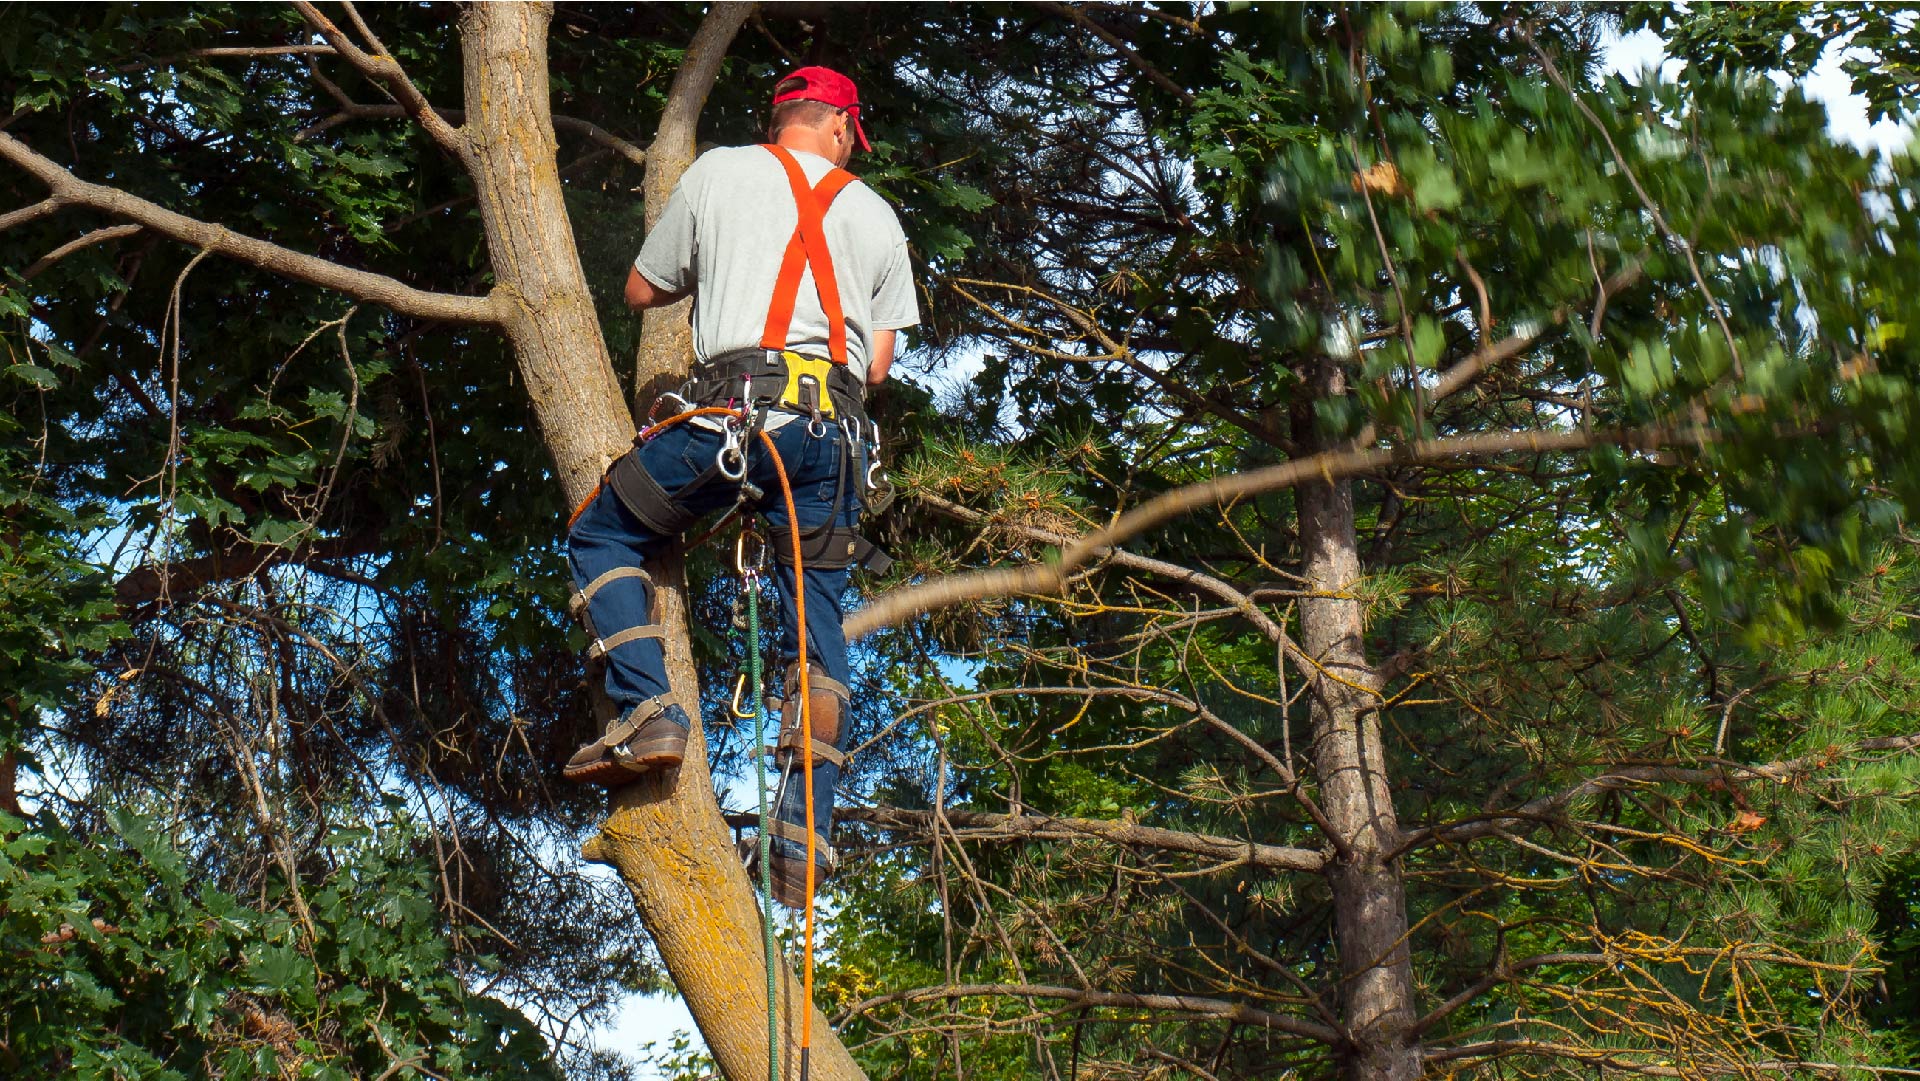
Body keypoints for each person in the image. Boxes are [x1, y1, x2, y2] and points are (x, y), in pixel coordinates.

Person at [563, 66, 918, 908]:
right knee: (815, 639)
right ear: (839, 128)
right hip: (831, 441)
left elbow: (641, 288)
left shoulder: (719, 171)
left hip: (735, 418)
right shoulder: (877, 215)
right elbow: (875, 364)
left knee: (604, 532)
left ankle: (649, 711)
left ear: (784, 117)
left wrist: (724, 269)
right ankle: (801, 843)